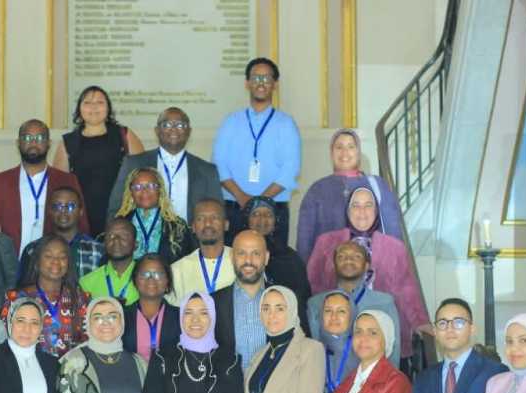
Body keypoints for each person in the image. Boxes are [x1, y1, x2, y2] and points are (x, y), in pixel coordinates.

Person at [308, 187, 431, 360]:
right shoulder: (326, 242)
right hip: (337, 331)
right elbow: (313, 283)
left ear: (376, 211)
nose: (362, 211)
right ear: (347, 210)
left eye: (368, 205)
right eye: (356, 205)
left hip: (378, 329)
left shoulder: (394, 247)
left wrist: (420, 321)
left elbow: (407, 289)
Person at [212, 57, 301, 244]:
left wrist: (260, 203)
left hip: (274, 209)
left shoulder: (286, 124)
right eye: (256, 78)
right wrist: (243, 198)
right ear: (247, 83)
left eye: (266, 78)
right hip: (235, 206)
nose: (261, 83)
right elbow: (219, 164)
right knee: (234, 258)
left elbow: (290, 169)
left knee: (275, 260)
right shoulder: (231, 122)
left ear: (275, 84)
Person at [295, 129, 405, 263]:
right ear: (331, 153)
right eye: (339, 147)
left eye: (350, 147)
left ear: (358, 152)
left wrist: (395, 265)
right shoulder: (317, 190)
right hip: (328, 270)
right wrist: (307, 271)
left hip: (373, 268)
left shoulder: (378, 185)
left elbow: (393, 231)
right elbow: (304, 240)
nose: (344, 152)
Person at [0, 119, 90, 257]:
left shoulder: (67, 180)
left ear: (49, 143)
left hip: (54, 264)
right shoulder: (1, 181)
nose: (33, 142)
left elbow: (81, 225)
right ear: (18, 143)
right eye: (27, 138)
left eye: (40, 138)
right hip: (12, 264)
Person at [53, 86, 144, 237]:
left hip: (122, 215)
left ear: (108, 108)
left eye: (100, 102)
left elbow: (144, 174)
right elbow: (59, 186)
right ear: (79, 108)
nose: (93, 107)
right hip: (81, 218)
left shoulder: (124, 136)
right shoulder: (68, 142)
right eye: (87, 102)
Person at [107, 107, 223, 223]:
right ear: (157, 131)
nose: (173, 129)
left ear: (189, 131)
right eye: (166, 125)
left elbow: (218, 214)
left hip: (191, 234)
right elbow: (116, 209)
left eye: (180, 125)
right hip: (142, 234)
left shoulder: (208, 171)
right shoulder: (134, 164)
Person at [307, 240, 402, 368]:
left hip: (372, 377)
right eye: (342, 256)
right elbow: (314, 349)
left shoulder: (384, 302)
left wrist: (389, 379)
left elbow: (393, 349)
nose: (348, 260)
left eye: (356, 256)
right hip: (328, 377)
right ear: (334, 265)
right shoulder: (316, 303)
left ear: (366, 265)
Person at [1, 235, 90, 358]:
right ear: (37, 262)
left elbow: (88, 341)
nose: (56, 261)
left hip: (71, 367)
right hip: (29, 366)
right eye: (48, 256)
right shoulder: (16, 299)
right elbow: (5, 341)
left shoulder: (80, 298)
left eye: (62, 257)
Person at [244, 196, 311, 320]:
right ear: (246, 220)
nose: (262, 219)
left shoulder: (290, 259)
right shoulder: (235, 255)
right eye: (256, 214)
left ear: (276, 222)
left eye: (268, 215)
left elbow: (301, 300)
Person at [213, 229, 271, 370]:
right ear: (232, 257)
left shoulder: (286, 301)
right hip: (227, 383)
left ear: (266, 257)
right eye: (241, 253)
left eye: (256, 253)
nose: (248, 261)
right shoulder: (213, 303)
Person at [114, 166, 195, 264]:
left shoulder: (178, 227)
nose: (144, 190)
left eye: (151, 186)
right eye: (138, 187)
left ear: (160, 190)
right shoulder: (118, 225)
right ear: (131, 192)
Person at [20, 186, 103, 280]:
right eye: (57, 206)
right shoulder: (33, 250)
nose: (63, 211)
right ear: (49, 211)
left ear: (81, 211)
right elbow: (24, 287)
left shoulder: (97, 251)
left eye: (70, 206)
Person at [167, 198, 235, 303]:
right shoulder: (177, 270)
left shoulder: (242, 261)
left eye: (214, 218)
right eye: (200, 219)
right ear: (193, 227)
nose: (207, 223)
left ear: (226, 225)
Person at [121, 253, 181, 361]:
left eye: (158, 274)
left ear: (167, 281)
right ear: (135, 280)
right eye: (144, 274)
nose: (151, 279)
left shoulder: (181, 317)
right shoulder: (122, 316)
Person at [79, 217, 139, 305]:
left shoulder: (148, 280)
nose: (116, 240)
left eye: (124, 236)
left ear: (136, 244)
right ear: (104, 243)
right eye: (111, 236)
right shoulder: (86, 283)